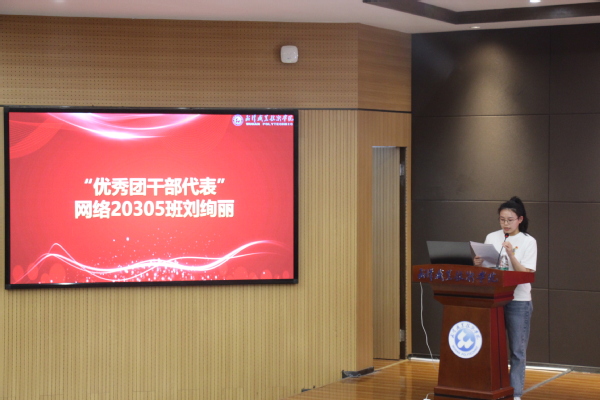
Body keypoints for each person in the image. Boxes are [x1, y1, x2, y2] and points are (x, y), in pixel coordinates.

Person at [473, 196, 536, 400]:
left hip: (518, 301)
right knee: (493, 347)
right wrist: (478, 263)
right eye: (502, 220)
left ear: (520, 219)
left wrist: (511, 255)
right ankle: (494, 389)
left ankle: (515, 394)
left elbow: (526, 274)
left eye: (510, 220)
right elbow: (487, 270)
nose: (505, 224)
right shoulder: (492, 237)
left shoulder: (528, 241)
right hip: (494, 299)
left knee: (517, 350)